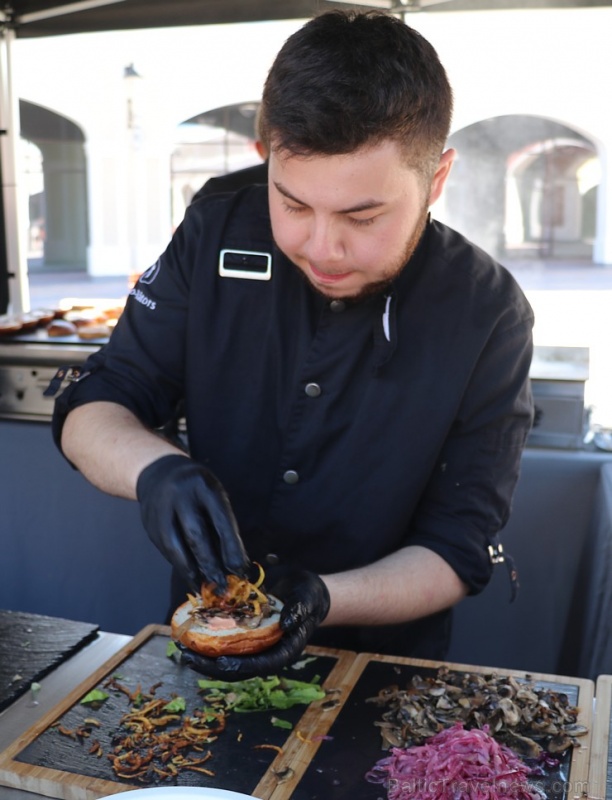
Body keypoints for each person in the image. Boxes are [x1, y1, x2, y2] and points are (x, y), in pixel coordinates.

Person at [51, 10, 534, 679]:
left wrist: (323, 599)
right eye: (294, 204)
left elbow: (458, 548)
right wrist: (154, 469)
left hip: (381, 679)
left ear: (437, 179)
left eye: (363, 216)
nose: (322, 247)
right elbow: (99, 402)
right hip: (207, 646)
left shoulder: (488, 310)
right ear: (266, 157)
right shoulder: (216, 230)